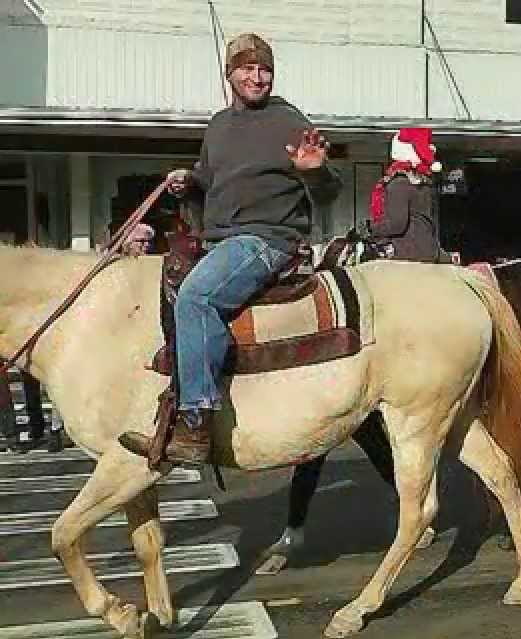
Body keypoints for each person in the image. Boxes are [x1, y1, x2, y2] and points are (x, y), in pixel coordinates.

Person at [120, 33, 342, 467]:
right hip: (221, 239)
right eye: (248, 69)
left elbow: (329, 191)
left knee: (197, 296)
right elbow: (211, 179)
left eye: (265, 70)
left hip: (268, 239)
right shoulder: (218, 126)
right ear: (230, 73)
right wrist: (191, 181)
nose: (257, 77)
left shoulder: (288, 121)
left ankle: (196, 420)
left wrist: (314, 173)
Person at [367, 127, 445, 263]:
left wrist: (370, 228)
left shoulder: (399, 184)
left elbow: (397, 224)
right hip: (427, 251)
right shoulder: (423, 185)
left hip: (406, 254)